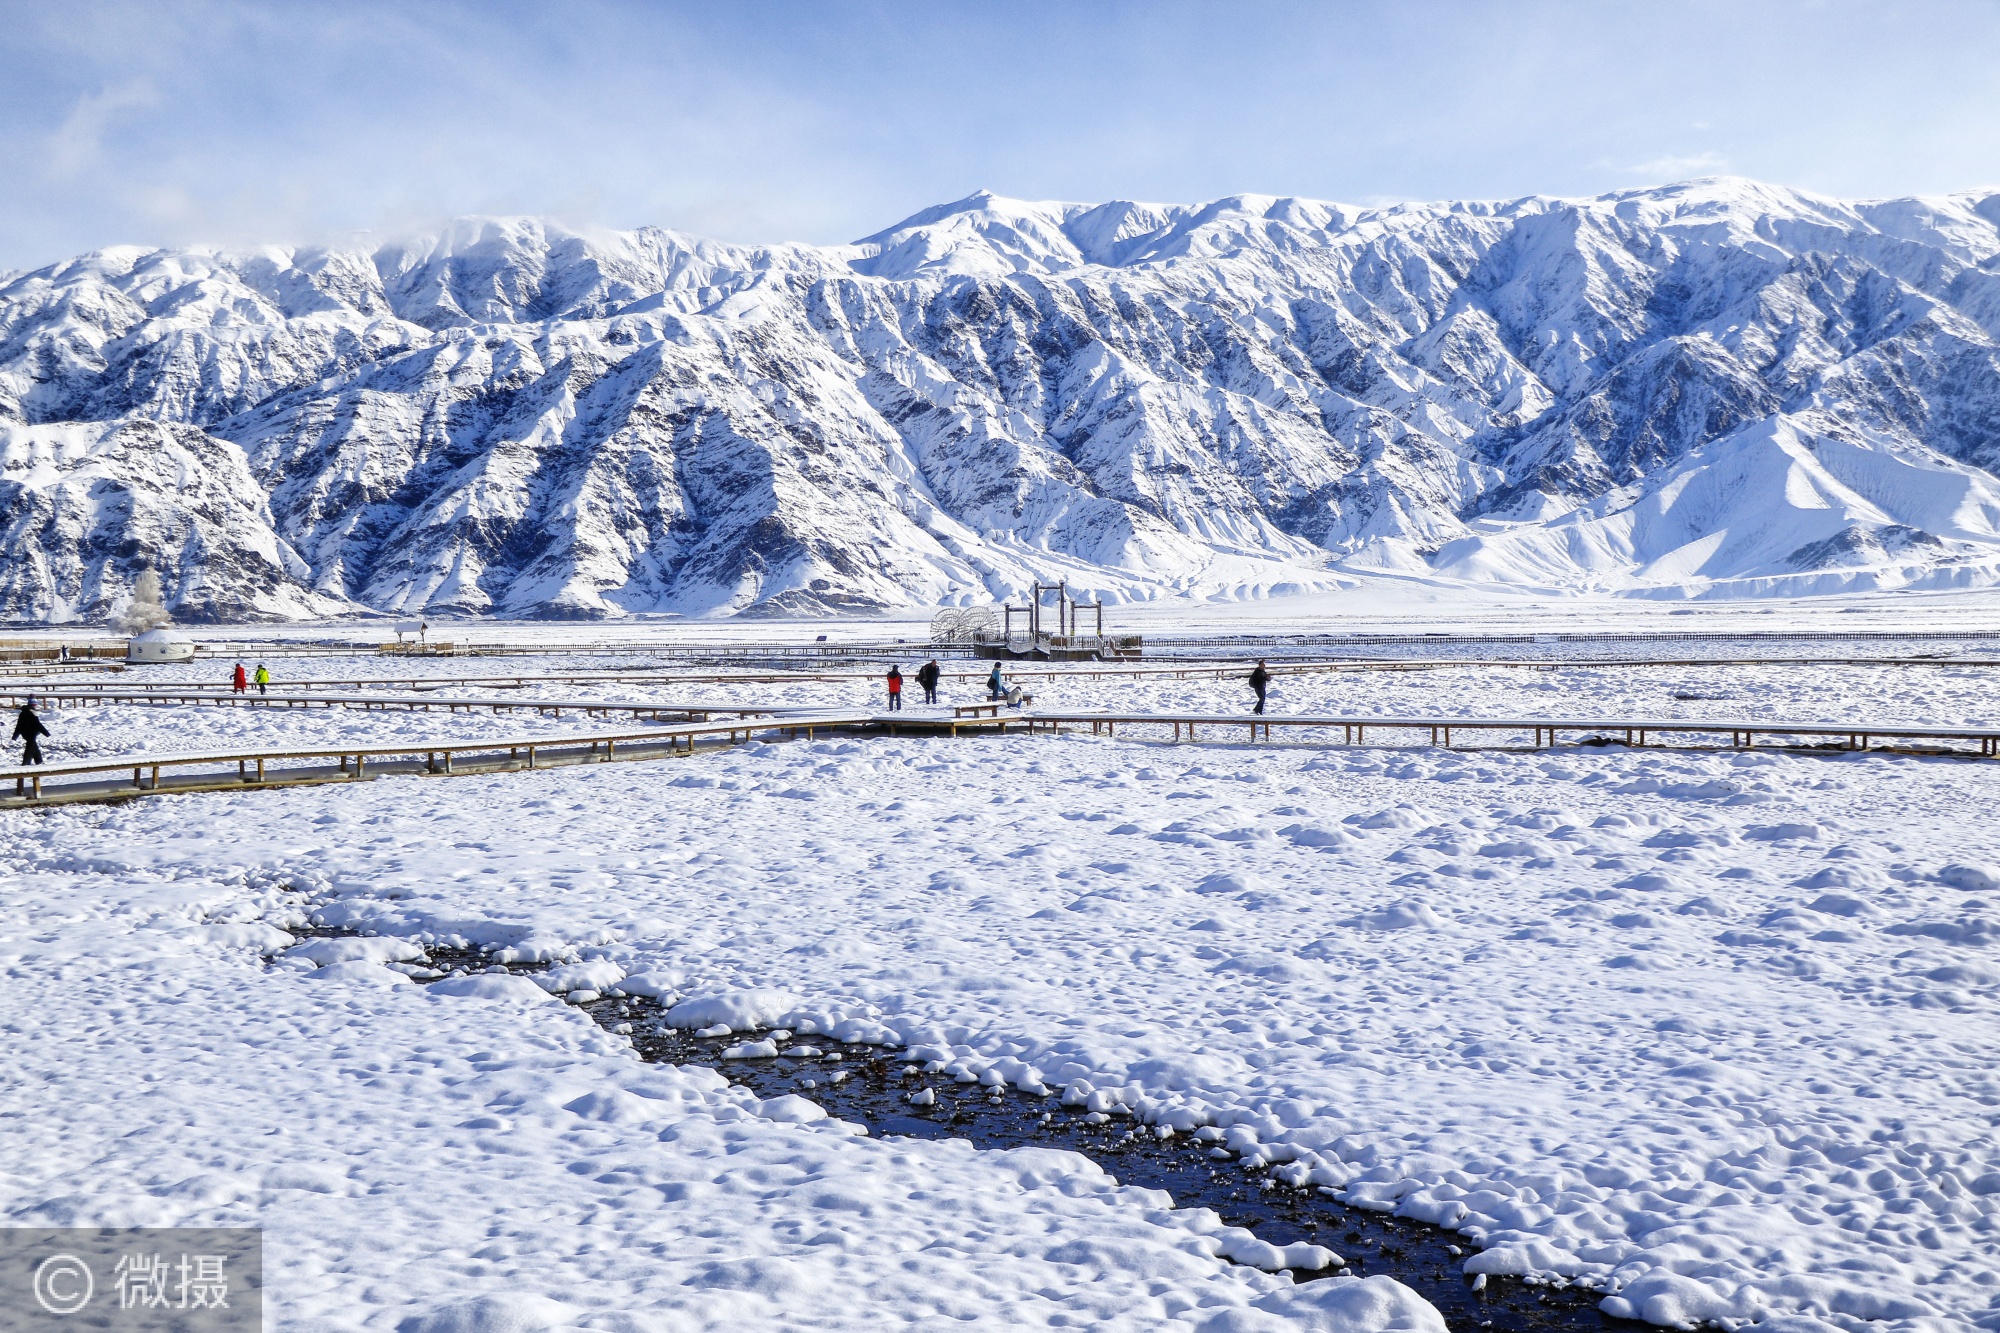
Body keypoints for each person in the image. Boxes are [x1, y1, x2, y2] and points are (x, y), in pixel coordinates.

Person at [13, 699, 48, 765]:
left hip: (24, 733)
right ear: (34, 704)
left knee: (33, 746)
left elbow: (19, 725)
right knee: (29, 748)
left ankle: (39, 761)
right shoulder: (33, 712)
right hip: (32, 733)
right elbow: (37, 724)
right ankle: (25, 763)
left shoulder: (22, 712)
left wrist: (15, 736)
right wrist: (46, 733)